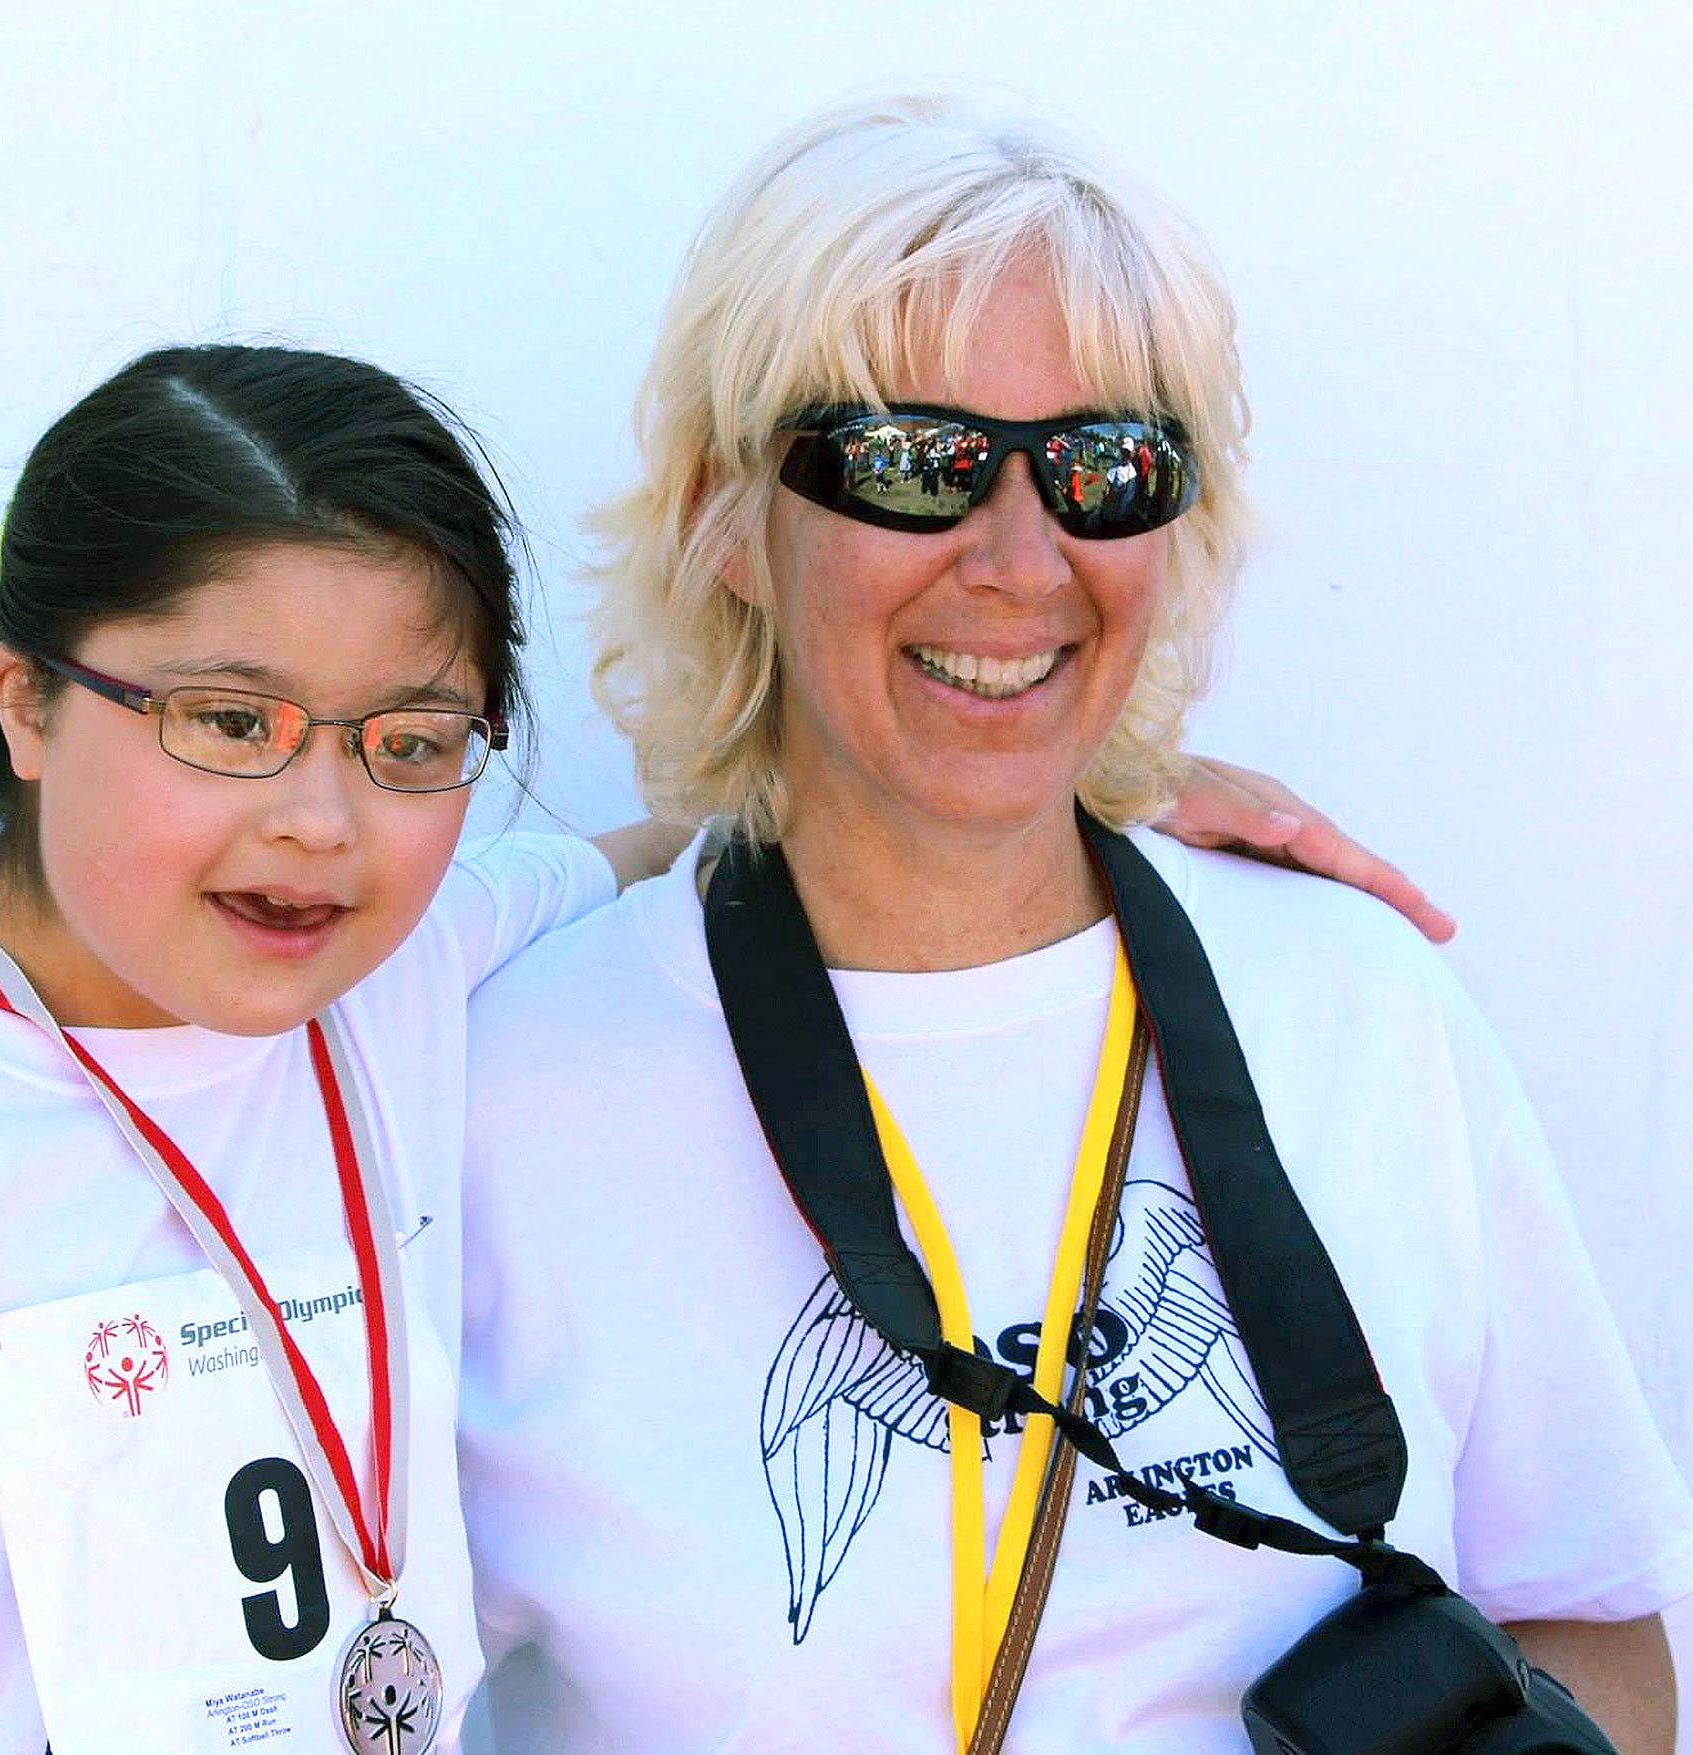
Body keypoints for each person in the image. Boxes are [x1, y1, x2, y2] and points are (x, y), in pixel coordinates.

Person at [0, 329, 1441, 1751]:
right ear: (24, 699)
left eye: (409, 743)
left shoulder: (412, 977)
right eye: (227, 722)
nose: (320, 825)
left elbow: (698, 837)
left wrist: (1080, 785)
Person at [454, 96, 1693, 1753]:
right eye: (914, 463)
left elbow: (1593, 1624)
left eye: (1107, 466)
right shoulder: (492, 1084)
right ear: (723, 516)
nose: (1023, 561)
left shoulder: (1360, 1007)